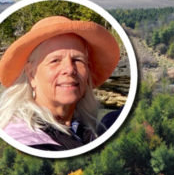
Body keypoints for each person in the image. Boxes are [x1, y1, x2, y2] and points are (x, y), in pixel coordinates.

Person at [0, 16, 120, 150]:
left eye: (77, 60)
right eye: (55, 60)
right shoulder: (24, 141)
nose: (69, 69)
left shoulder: (87, 131)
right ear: (31, 74)